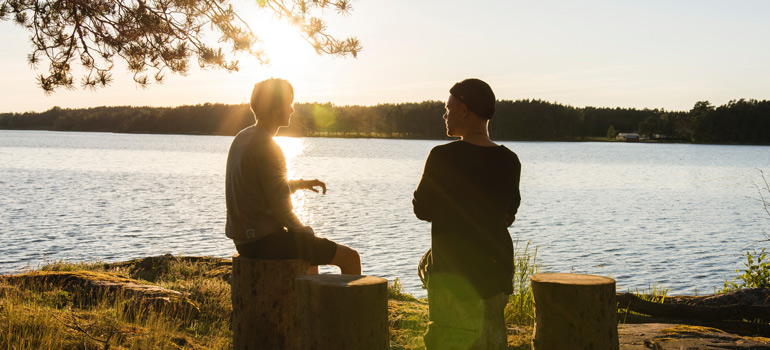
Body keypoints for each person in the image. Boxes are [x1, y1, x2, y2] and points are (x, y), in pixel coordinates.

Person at [413, 78, 521, 349]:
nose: (444, 115)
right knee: (492, 336)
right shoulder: (510, 160)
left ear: (464, 110)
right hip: (496, 273)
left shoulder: (442, 157)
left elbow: (422, 208)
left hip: (454, 275)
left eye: (448, 108)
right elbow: (508, 215)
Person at [226, 78, 361, 275]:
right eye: (289, 104)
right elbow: (282, 209)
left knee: (309, 251)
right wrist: (305, 231)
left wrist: (300, 184)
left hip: (244, 241)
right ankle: (352, 306)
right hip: (264, 242)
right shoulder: (268, 146)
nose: (292, 110)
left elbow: (264, 189)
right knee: (350, 257)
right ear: (277, 108)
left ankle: (311, 303)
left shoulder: (243, 137)